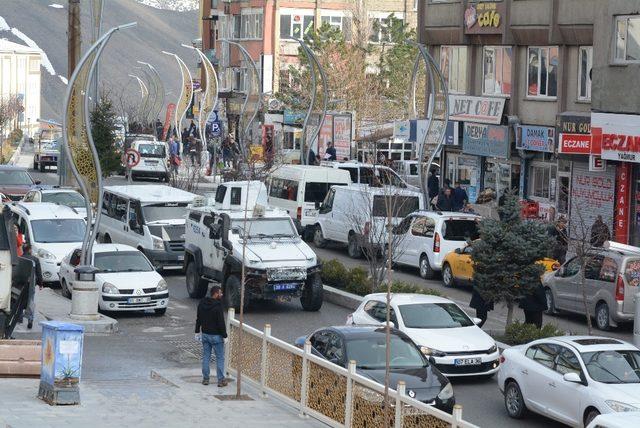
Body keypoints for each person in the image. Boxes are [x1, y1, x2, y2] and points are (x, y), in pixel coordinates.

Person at [195, 285, 228, 387]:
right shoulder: (218, 307)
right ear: (215, 294)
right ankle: (221, 380)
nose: (221, 295)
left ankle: (205, 379)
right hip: (216, 337)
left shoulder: (202, 303)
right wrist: (225, 336)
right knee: (220, 358)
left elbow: (198, 318)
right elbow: (221, 323)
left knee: (206, 357)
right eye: (220, 293)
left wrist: (196, 331)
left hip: (205, 335)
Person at [22, 243, 42, 330]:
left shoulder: (20, 258)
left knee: (20, 301)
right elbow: (39, 273)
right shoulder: (35, 259)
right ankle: (30, 320)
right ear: (30, 250)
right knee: (31, 301)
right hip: (31, 284)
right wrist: (40, 284)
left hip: (21, 283)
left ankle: (19, 318)